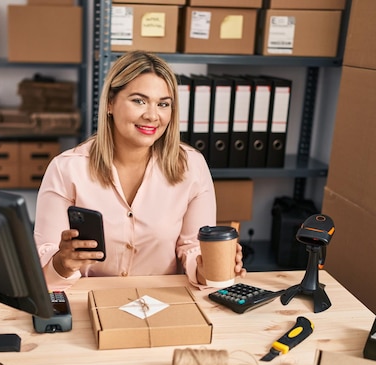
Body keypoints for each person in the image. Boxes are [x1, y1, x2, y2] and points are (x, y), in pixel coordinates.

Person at [33, 50, 246, 290]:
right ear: (110, 103)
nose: (152, 116)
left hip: (162, 303)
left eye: (163, 104)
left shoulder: (191, 167)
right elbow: (45, 258)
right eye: (139, 101)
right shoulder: (66, 169)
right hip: (89, 303)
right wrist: (62, 262)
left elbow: (192, 249)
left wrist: (208, 266)